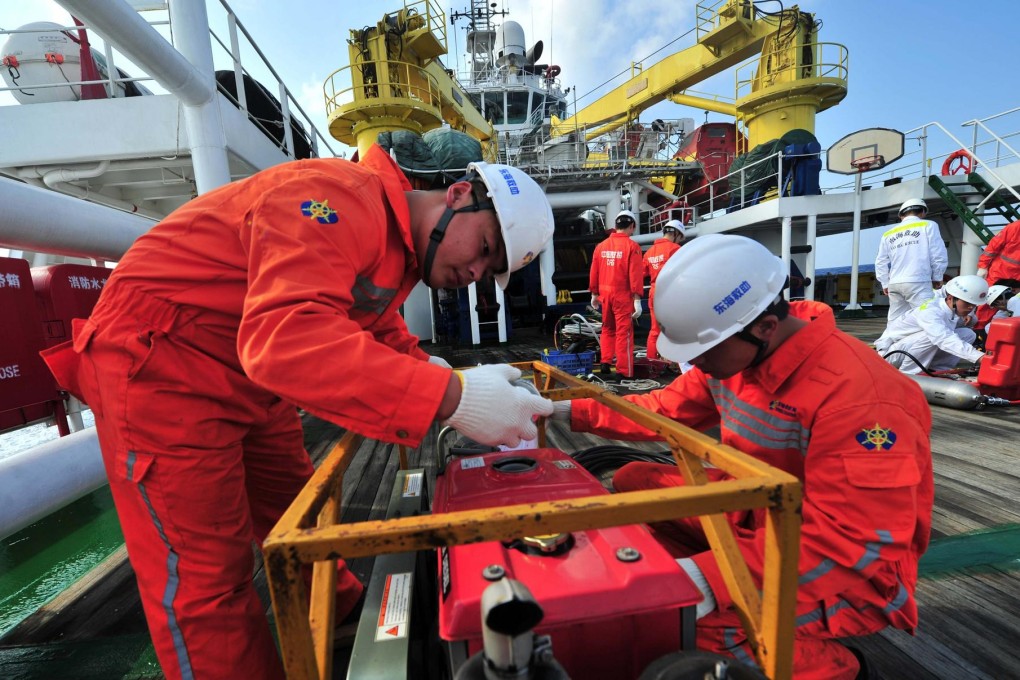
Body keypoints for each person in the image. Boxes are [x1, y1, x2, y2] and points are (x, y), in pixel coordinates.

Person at [40, 145, 555, 680]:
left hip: (238, 368)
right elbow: (283, 339)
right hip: (159, 363)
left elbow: (373, 329)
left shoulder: (388, 244)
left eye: (488, 270)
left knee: (296, 507)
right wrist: (455, 397)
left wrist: (447, 374)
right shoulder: (338, 200)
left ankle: (342, 615)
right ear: (459, 195)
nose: (473, 271)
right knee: (207, 579)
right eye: (484, 248)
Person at [552, 234, 933, 679]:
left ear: (765, 327)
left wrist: (705, 580)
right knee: (635, 481)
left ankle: (835, 668)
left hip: (848, 571)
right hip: (758, 519)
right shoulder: (737, 358)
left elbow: (852, 542)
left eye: (702, 351)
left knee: (687, 627)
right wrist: (563, 410)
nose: (696, 363)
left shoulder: (863, 400)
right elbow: (664, 410)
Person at [874, 274, 990, 374]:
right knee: (932, 336)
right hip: (890, 354)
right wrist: (979, 357)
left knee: (968, 334)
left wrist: (970, 315)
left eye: (974, 305)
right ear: (951, 298)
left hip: (909, 347)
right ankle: (909, 374)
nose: (970, 308)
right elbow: (942, 338)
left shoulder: (952, 310)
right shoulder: (931, 311)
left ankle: (938, 370)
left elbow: (970, 323)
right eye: (967, 304)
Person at [874, 198, 948, 322]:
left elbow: (880, 261)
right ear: (923, 212)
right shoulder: (928, 225)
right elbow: (938, 254)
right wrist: (937, 276)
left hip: (895, 283)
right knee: (929, 320)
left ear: (901, 215)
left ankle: (886, 341)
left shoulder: (888, 234)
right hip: (918, 281)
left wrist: (885, 283)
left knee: (895, 321)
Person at [590, 209, 644, 377]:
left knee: (607, 329)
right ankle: (624, 370)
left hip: (605, 296)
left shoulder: (601, 246)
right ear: (632, 226)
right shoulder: (632, 247)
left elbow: (594, 271)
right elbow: (635, 275)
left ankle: (605, 363)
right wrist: (637, 300)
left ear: (616, 226)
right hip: (622, 296)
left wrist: (594, 294)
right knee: (624, 333)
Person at [643, 219, 685, 361]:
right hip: (671, 293)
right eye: (680, 238)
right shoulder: (675, 249)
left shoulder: (649, 252)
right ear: (676, 234)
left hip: (654, 292)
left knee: (655, 329)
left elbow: (642, 273)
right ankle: (671, 360)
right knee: (673, 329)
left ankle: (651, 362)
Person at [976, 218, 1020, 288]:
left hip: (1014, 276)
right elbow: (993, 246)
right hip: (1000, 272)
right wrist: (983, 266)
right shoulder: (1015, 227)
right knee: (991, 295)